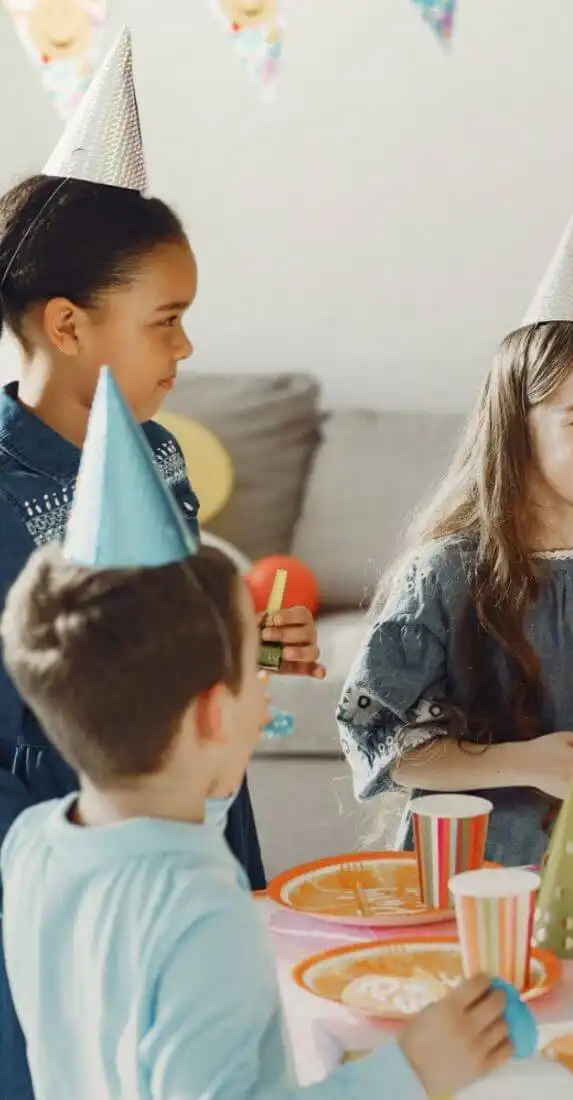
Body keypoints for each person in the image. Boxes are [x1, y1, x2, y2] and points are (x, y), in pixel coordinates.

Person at [1, 369, 529, 1098]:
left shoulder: (34, 844)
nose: (264, 693)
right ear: (214, 714)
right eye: (258, 672)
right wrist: (410, 1071)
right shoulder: (203, 906)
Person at [0, 32, 321, 1099]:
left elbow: (178, 625)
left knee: (215, 1033)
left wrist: (240, 662)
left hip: (194, 809)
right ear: (67, 324)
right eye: (165, 322)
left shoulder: (166, 454)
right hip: (72, 848)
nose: (184, 350)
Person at [339, 194, 573, 866]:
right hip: (466, 876)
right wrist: (524, 762)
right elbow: (382, 739)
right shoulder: (447, 574)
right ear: (517, 433)